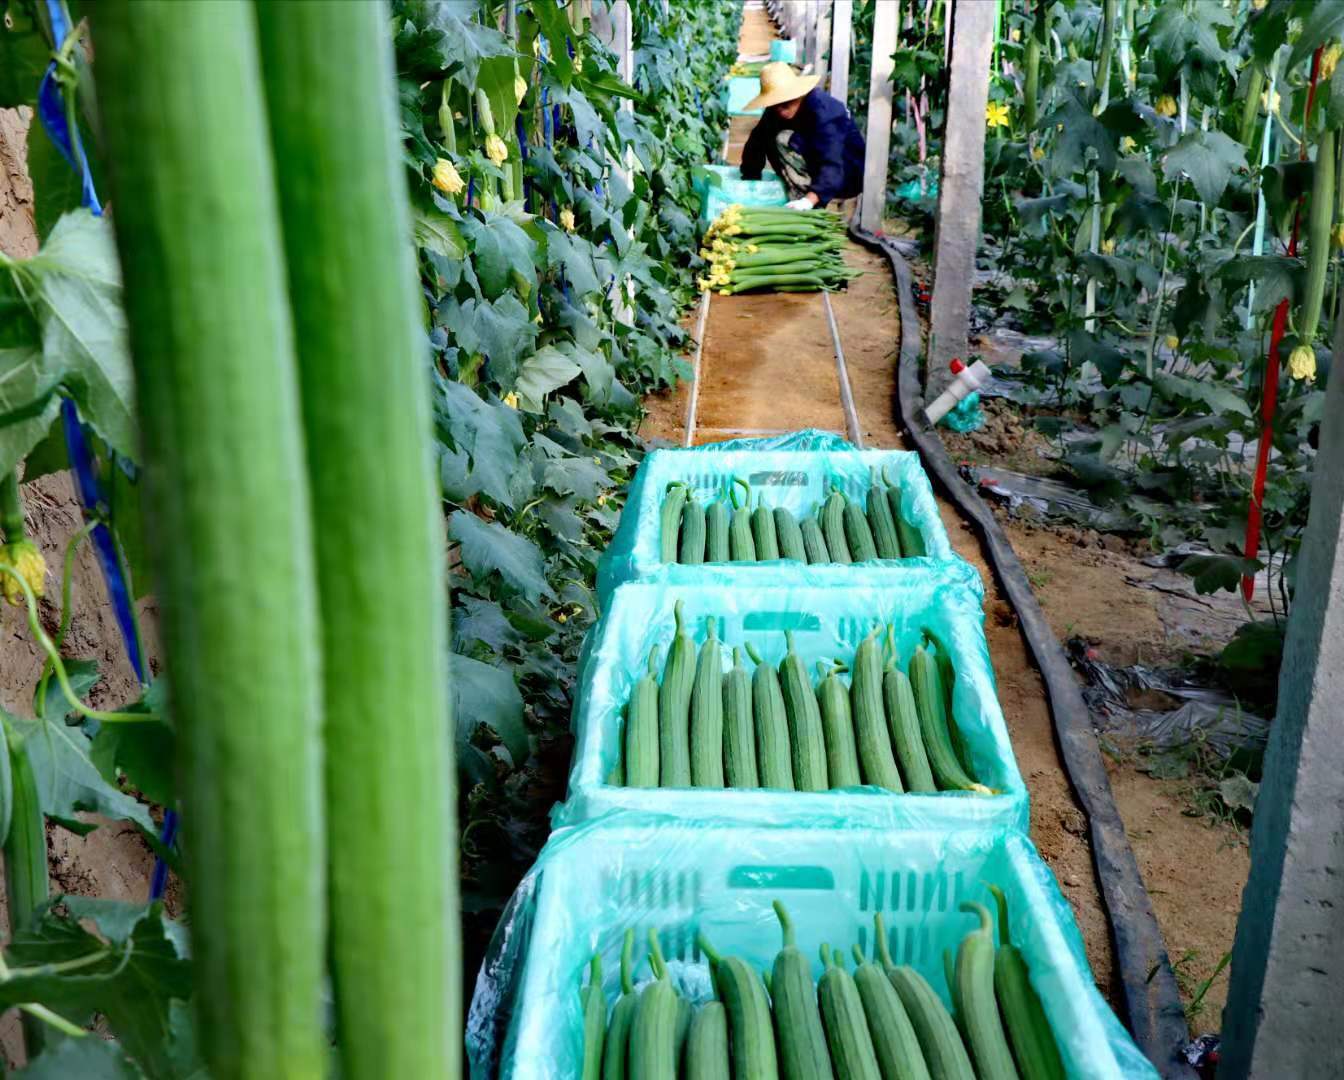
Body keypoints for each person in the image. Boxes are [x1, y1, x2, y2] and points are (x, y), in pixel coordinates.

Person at [738, 61, 865, 210]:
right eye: (775, 104)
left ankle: (824, 198)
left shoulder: (824, 112)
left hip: (845, 175)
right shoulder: (775, 111)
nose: (780, 110)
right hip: (817, 166)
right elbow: (756, 142)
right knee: (771, 133)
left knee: (784, 138)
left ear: (798, 93)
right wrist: (751, 180)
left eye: (786, 103)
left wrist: (809, 201)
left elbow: (832, 161)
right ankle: (806, 191)